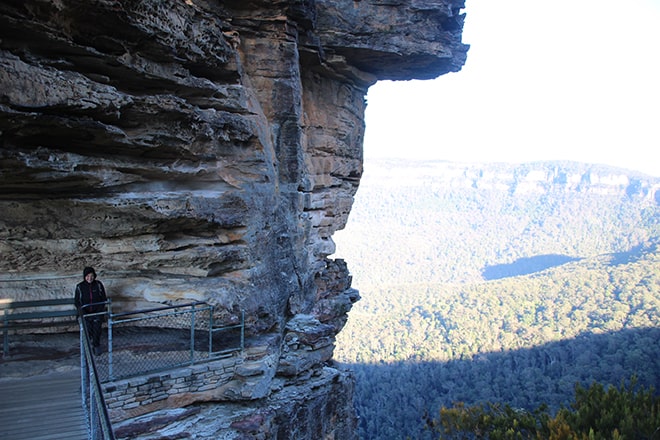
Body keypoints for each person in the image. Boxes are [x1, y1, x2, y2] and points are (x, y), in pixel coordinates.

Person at [74, 266, 107, 355]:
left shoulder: (98, 285)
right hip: (85, 313)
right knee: (87, 329)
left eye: (91, 275)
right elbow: (77, 302)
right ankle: (87, 347)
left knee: (97, 328)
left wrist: (99, 311)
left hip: (97, 312)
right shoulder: (80, 287)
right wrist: (83, 312)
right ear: (84, 277)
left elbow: (103, 299)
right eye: (87, 276)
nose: (90, 278)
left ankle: (96, 345)